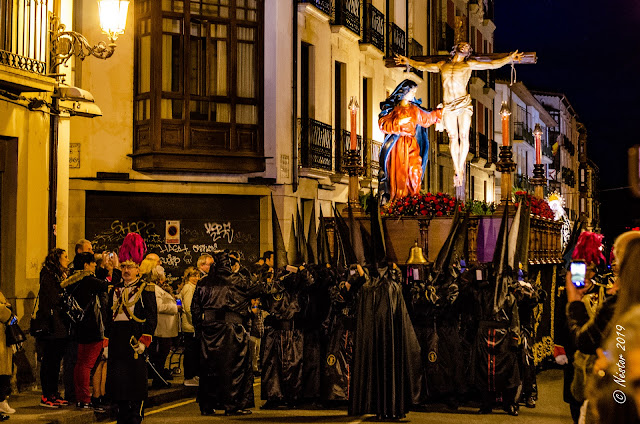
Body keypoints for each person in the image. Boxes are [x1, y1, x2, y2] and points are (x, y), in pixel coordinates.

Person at [395, 43, 523, 193]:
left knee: (463, 135)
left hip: (463, 103)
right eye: (462, 45)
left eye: (468, 46)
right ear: (455, 48)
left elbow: (492, 64)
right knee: (452, 136)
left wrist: (509, 58)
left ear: (469, 52)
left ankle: (460, 167)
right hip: (448, 104)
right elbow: (424, 66)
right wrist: (409, 62)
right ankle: (457, 167)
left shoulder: (469, 64)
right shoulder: (443, 65)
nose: (466, 46)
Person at [192, 251, 263, 416]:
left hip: (208, 329)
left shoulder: (203, 282)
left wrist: (199, 328)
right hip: (231, 329)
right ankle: (232, 405)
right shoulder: (237, 281)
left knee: (209, 368)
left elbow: (195, 309)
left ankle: (207, 405)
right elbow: (258, 288)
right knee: (233, 368)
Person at [349, 263, 422, 420]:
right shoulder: (390, 287)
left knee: (384, 368)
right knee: (390, 368)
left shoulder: (371, 289)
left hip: (381, 341)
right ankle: (392, 408)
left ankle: (382, 408)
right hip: (390, 342)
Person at [105, 233, 157, 424]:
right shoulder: (114, 289)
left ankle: (136, 417)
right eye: (123, 266)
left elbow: (151, 319)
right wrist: (106, 343)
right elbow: (107, 318)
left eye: (130, 267)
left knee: (135, 387)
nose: (126, 270)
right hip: (117, 341)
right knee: (118, 387)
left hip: (134, 343)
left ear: (138, 269)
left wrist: (144, 342)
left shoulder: (146, 288)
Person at [377, 79, 442, 203]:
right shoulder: (393, 110)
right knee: (400, 175)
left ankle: (413, 198)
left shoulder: (414, 109)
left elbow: (427, 118)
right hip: (398, 146)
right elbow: (382, 124)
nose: (414, 94)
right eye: (412, 92)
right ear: (404, 93)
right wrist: (398, 122)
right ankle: (399, 201)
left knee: (415, 169)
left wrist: (440, 113)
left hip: (412, 144)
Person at [260, 265, 314, 409]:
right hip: (275, 332)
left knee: (294, 365)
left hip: (292, 330)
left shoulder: (297, 289)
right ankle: (274, 396)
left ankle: (293, 397)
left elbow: (310, 282)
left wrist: (299, 269)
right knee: (273, 366)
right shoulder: (274, 287)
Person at [64, 252, 109, 412]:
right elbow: (108, 285)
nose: (95, 266)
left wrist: (102, 268)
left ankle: (80, 398)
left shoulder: (72, 281)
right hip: (92, 327)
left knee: (80, 364)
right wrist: (112, 268)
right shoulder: (88, 281)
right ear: (86, 265)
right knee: (87, 364)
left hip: (78, 326)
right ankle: (85, 398)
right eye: (92, 263)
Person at [36, 248, 72, 408]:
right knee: (49, 361)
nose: (67, 259)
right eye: (64, 257)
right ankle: (47, 395)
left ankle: (54, 393)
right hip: (50, 325)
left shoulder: (60, 275)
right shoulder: (48, 275)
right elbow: (52, 298)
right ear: (56, 259)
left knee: (56, 361)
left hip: (59, 324)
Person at [148, 265, 179, 389]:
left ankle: (160, 377)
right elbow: (158, 307)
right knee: (160, 355)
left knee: (163, 354)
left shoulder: (164, 289)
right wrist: (175, 308)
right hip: (162, 327)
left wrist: (177, 302)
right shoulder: (155, 289)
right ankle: (158, 379)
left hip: (167, 327)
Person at [180, 267, 200, 386]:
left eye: (197, 276)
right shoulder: (188, 288)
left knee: (194, 351)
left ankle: (193, 375)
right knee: (190, 352)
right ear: (188, 277)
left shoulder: (192, 287)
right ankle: (189, 377)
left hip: (191, 324)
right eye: (194, 276)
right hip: (190, 325)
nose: (196, 278)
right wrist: (195, 322)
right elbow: (188, 308)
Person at [0, 291, 16, 419]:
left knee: (4, 372)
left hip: (3, 338)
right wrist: (8, 310)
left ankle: (2, 401)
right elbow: (3, 311)